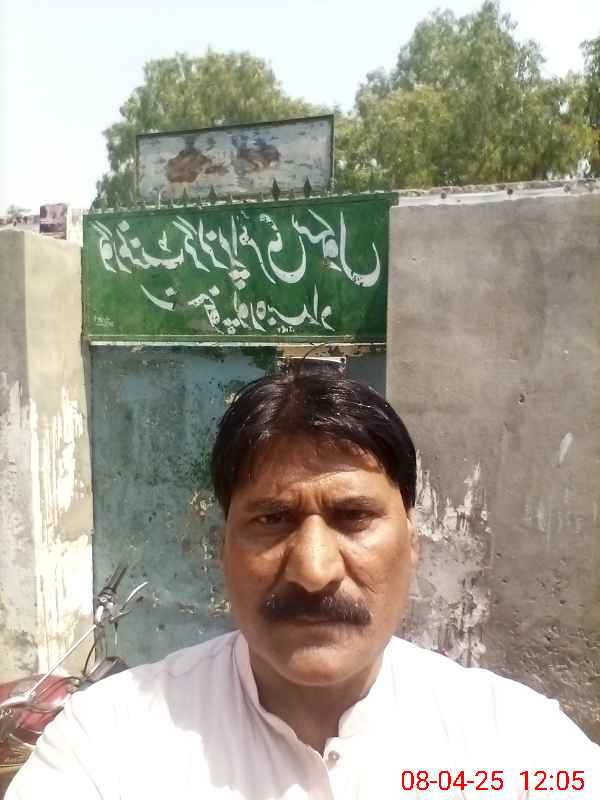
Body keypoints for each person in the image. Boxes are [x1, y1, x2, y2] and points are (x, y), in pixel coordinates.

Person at [7, 364, 599, 799]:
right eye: (272, 520)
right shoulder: (107, 745)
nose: (313, 571)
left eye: (354, 517)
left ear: (413, 544)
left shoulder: (519, 747)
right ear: (222, 550)